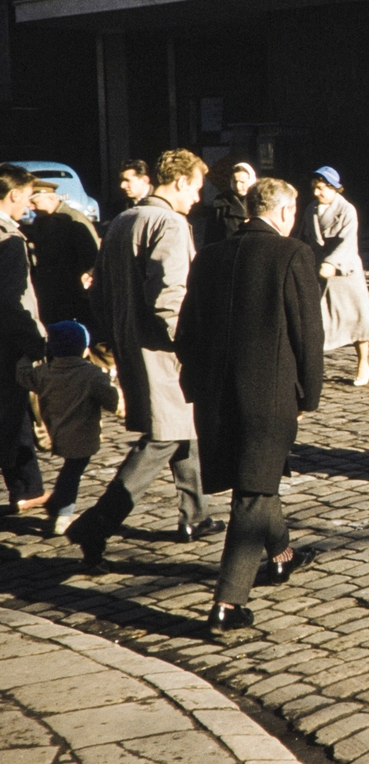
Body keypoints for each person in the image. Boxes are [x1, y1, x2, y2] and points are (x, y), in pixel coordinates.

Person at [176, 177, 323, 636]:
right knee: (253, 492)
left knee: (258, 476)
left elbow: (185, 335)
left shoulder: (209, 256)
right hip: (270, 394)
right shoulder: (292, 254)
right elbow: (308, 335)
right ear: (283, 212)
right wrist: (309, 394)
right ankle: (228, 602)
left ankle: (282, 556)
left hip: (215, 395)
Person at [70, 150, 223, 571]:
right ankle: (97, 523)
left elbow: (97, 291)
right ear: (178, 182)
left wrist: (118, 331)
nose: (197, 197)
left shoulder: (123, 220)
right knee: (164, 435)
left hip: (130, 341)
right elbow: (170, 299)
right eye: (194, 187)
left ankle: (195, 515)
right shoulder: (169, 223)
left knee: (180, 423)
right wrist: (191, 346)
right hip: (163, 349)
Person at [17, 321, 117, 535]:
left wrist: (26, 357)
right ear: (84, 347)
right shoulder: (92, 374)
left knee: (71, 468)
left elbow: (23, 376)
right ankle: (62, 512)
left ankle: (58, 503)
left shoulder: (44, 372)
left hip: (57, 433)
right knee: (73, 471)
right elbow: (112, 401)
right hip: (84, 435)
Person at [0, 164, 48, 513]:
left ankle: (27, 487)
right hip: (7, 342)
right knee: (14, 415)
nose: (30, 204)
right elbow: (11, 300)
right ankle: (27, 489)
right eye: (28, 196)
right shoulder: (10, 241)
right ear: (14, 194)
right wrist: (34, 341)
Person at [301, 168, 369, 387]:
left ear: (334, 188)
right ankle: (311, 368)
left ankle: (364, 363)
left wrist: (331, 263)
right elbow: (304, 236)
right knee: (317, 321)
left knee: (357, 319)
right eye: (314, 187)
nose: (317, 192)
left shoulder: (347, 210)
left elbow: (348, 242)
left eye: (322, 188)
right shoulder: (311, 209)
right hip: (319, 271)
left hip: (344, 272)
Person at [22, 179, 99, 331]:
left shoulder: (73, 220)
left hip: (72, 296)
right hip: (50, 296)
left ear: (51, 198)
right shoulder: (41, 221)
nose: (29, 207)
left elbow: (93, 258)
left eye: (34, 202)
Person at [206, 163, 256, 246]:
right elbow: (211, 236)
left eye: (242, 182)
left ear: (250, 181)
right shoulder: (221, 204)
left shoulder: (258, 201)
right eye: (235, 182)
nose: (238, 186)